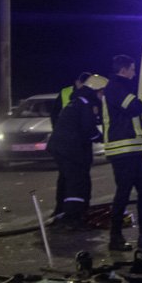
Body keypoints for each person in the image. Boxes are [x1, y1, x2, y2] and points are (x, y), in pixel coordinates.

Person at [102, 54, 142, 251]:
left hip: (131, 149)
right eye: (133, 68)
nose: (135, 72)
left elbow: (134, 112)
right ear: (124, 70)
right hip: (123, 149)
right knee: (124, 193)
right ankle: (116, 237)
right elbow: (135, 107)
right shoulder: (115, 86)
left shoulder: (119, 87)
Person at [48, 74, 107, 229]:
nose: (103, 96)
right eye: (102, 92)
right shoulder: (86, 104)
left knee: (69, 180)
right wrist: (103, 138)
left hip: (63, 147)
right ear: (95, 91)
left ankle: (65, 213)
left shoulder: (77, 102)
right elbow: (89, 129)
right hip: (70, 149)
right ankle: (72, 218)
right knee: (77, 181)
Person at [50, 71, 92, 217]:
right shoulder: (67, 94)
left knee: (77, 178)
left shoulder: (87, 99)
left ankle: (75, 210)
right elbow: (54, 115)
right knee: (70, 180)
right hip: (70, 145)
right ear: (77, 82)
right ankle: (65, 211)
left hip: (77, 144)